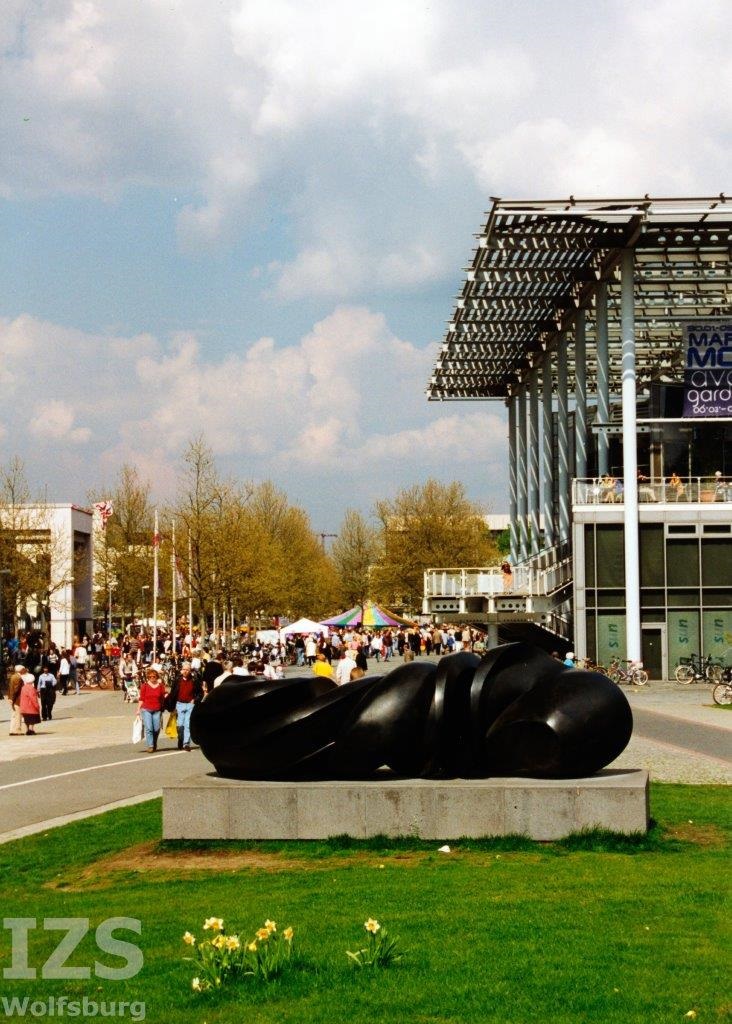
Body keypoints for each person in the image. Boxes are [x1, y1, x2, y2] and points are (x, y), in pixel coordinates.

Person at [166, 660, 202, 751]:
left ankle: (186, 743)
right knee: (180, 725)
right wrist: (172, 706)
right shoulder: (177, 680)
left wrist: (195, 700)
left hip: (190, 704)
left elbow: (200, 693)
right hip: (179, 704)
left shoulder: (194, 680)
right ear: (181, 670)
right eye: (184, 669)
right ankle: (181, 739)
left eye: (187, 670)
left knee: (187, 724)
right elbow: (173, 693)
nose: (185, 671)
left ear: (190, 671)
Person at [136, 665, 167, 752]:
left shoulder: (160, 686)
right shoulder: (144, 686)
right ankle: (150, 746)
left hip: (157, 709)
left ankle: (154, 742)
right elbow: (141, 698)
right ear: (148, 677)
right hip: (146, 709)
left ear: (157, 677)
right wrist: (138, 709)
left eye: (154, 676)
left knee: (156, 729)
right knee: (149, 728)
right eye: (150, 677)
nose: (152, 678)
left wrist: (168, 697)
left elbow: (163, 695)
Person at [8, 665, 25, 735]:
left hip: (12, 698)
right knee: (18, 715)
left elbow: (10, 688)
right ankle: (17, 730)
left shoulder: (13, 676)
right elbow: (16, 690)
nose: (24, 670)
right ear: (20, 670)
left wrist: (10, 698)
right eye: (23, 669)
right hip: (17, 698)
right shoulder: (18, 678)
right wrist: (12, 698)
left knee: (14, 714)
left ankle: (12, 730)